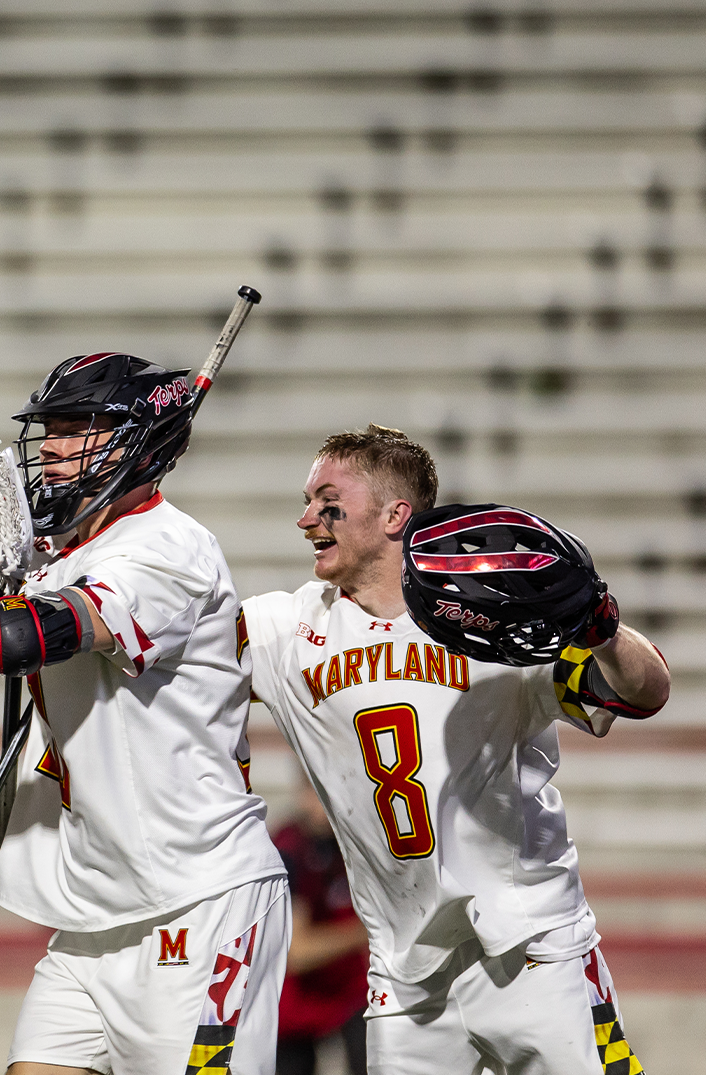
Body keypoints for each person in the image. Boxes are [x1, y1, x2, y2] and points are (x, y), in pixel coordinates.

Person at [0, 353, 291, 1075]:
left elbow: (39, 630)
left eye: (78, 428)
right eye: (49, 429)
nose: (52, 447)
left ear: (141, 443)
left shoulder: (169, 548)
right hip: (95, 918)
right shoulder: (73, 545)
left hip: (197, 903)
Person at [238, 425, 666, 1075]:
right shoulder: (284, 630)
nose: (305, 519)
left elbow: (644, 692)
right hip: (404, 972)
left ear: (394, 515)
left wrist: (602, 623)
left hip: (532, 946)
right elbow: (161, 641)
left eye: (327, 500)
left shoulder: (493, 615)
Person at [270, 782, 368, 1075]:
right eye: (316, 790)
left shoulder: (357, 843)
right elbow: (297, 953)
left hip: (348, 998)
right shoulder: (289, 848)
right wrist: (366, 930)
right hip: (293, 1009)